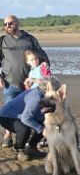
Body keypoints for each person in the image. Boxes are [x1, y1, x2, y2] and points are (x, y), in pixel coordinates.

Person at [0, 14, 49, 147]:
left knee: (32, 111)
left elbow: (42, 56)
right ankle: (8, 136)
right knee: (11, 111)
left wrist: (45, 67)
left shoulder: (30, 39)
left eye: (10, 23)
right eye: (5, 24)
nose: (7, 26)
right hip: (10, 83)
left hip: (30, 86)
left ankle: (30, 137)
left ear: (18, 23)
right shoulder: (2, 41)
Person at [0, 79, 56, 161]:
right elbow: (25, 118)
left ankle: (31, 148)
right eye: (55, 90)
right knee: (25, 129)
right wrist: (41, 129)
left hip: (21, 115)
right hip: (7, 116)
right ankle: (19, 150)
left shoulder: (42, 95)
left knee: (46, 124)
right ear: (48, 89)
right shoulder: (36, 97)